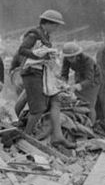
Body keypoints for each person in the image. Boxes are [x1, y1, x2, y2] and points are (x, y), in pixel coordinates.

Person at [9, 9, 75, 149]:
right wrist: (39, 55)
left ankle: (54, 135)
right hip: (31, 73)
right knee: (38, 108)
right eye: (55, 25)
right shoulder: (34, 34)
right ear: (47, 23)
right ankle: (26, 136)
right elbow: (22, 50)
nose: (57, 28)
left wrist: (48, 56)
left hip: (40, 72)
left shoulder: (45, 35)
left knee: (52, 99)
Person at [60, 42, 101, 123]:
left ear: (77, 55)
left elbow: (89, 79)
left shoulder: (88, 60)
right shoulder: (66, 59)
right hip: (79, 75)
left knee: (89, 104)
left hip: (93, 79)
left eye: (72, 57)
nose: (70, 60)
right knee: (78, 101)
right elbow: (64, 73)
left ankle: (91, 125)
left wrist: (76, 86)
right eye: (68, 58)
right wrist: (63, 84)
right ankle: (82, 122)